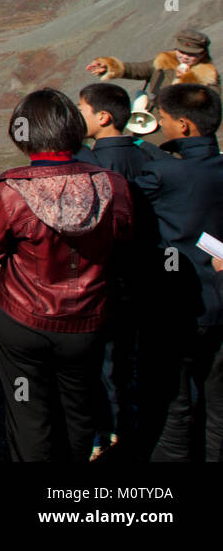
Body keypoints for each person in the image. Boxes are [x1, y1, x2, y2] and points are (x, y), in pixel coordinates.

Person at [0, 88, 134, 462]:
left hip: (23, 320)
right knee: (78, 407)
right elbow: (126, 245)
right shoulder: (114, 185)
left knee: (27, 406)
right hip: (88, 319)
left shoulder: (12, 190)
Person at [132, 83, 223, 461]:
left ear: (183, 126)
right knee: (218, 408)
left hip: (176, 307)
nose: (160, 125)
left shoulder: (163, 174)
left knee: (173, 407)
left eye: (164, 120)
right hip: (220, 305)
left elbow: (127, 211)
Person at [74, 81, 161, 455]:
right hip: (148, 273)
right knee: (134, 356)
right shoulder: (154, 156)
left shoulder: (90, 166)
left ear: (102, 116)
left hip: (104, 278)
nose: (78, 116)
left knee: (103, 361)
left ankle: (106, 433)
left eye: (82, 110)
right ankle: (140, 423)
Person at [86, 28, 218, 116]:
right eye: (181, 51)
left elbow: (211, 107)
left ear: (202, 55)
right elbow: (137, 69)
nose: (184, 57)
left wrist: (186, 82)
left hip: (179, 125)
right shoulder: (165, 61)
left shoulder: (208, 77)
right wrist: (109, 66)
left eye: (191, 54)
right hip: (150, 117)